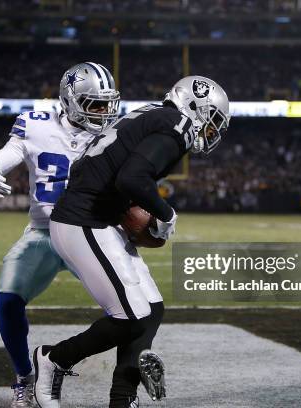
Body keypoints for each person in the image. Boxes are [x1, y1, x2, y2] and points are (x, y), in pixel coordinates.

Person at [34, 76, 230, 408]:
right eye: (211, 121)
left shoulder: (154, 113)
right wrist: (166, 215)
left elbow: (114, 172)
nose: (211, 132)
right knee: (132, 316)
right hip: (83, 220)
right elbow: (132, 178)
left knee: (151, 309)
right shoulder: (178, 124)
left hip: (99, 216)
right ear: (196, 107)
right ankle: (55, 358)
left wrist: (126, 209)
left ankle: (122, 399)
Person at [0, 62, 120, 407]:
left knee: (133, 309)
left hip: (92, 232)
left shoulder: (114, 134)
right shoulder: (36, 123)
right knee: (8, 299)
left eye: (106, 103)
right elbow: (9, 154)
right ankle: (25, 376)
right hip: (44, 231)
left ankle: (123, 383)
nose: (103, 112)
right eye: (94, 104)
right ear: (69, 100)